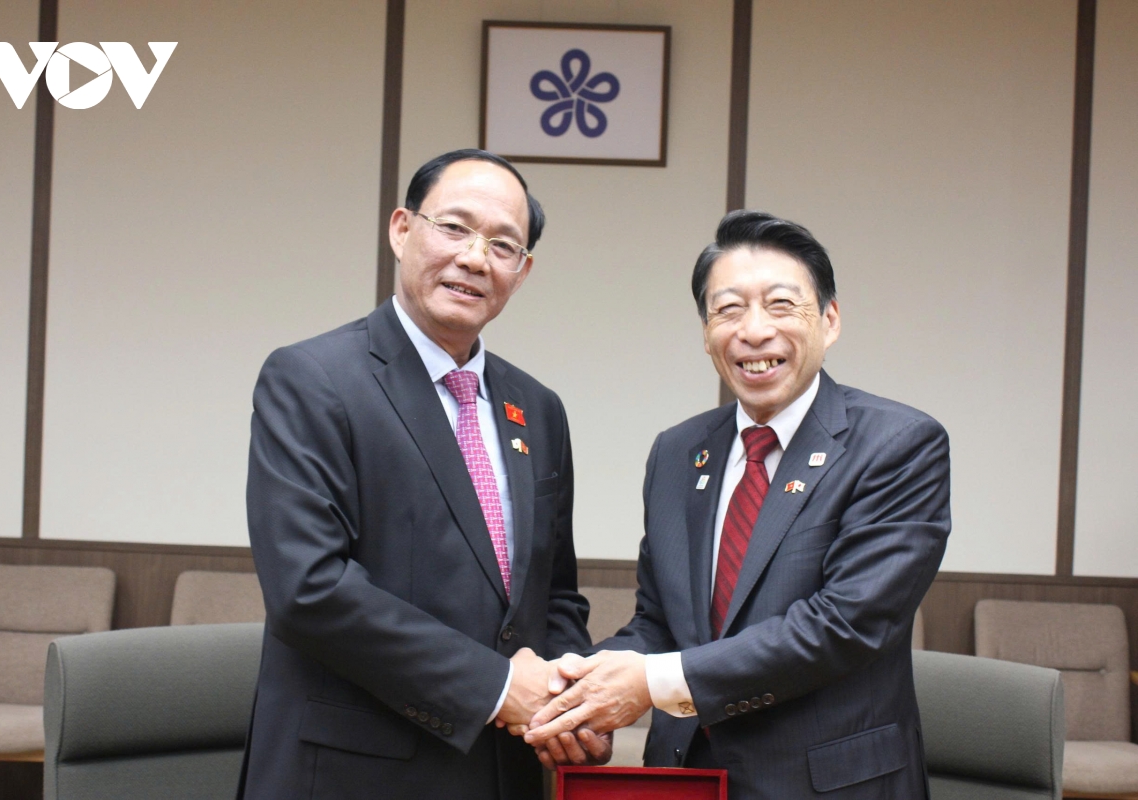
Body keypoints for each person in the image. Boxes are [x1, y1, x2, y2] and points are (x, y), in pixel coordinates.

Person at [521, 210, 951, 798]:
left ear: (829, 320)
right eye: (727, 310)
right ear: (706, 334)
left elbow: (845, 625)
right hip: (687, 777)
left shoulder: (897, 443)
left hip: (831, 784)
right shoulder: (678, 452)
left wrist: (646, 683)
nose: (753, 331)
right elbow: (660, 623)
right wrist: (577, 702)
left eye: (780, 305)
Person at [238, 149, 607, 800]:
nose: (474, 258)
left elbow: (554, 595)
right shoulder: (313, 380)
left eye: (503, 245)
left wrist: (565, 700)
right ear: (402, 229)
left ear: (521, 272)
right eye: (454, 228)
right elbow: (309, 589)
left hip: (502, 773)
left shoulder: (538, 409)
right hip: (356, 774)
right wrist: (498, 688)